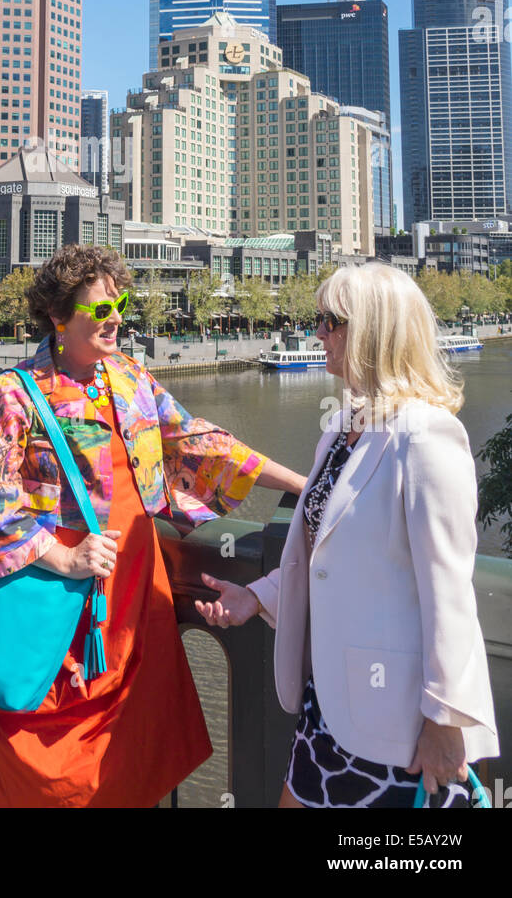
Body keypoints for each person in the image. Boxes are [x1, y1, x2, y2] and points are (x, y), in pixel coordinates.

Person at [0, 244, 306, 808]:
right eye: (100, 308)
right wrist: (63, 558)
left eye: (120, 304)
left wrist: (301, 483)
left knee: (129, 755)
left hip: (132, 592)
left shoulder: (131, 379)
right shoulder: (14, 392)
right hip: (53, 595)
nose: (116, 318)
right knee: (43, 761)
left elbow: (199, 443)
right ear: (59, 319)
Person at [197, 264, 499, 808]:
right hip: (328, 703)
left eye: (330, 321)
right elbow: (326, 557)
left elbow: (449, 592)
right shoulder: (341, 430)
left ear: (374, 331)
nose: (317, 334)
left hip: (397, 727)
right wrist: (257, 596)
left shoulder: (427, 437)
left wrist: (447, 721)